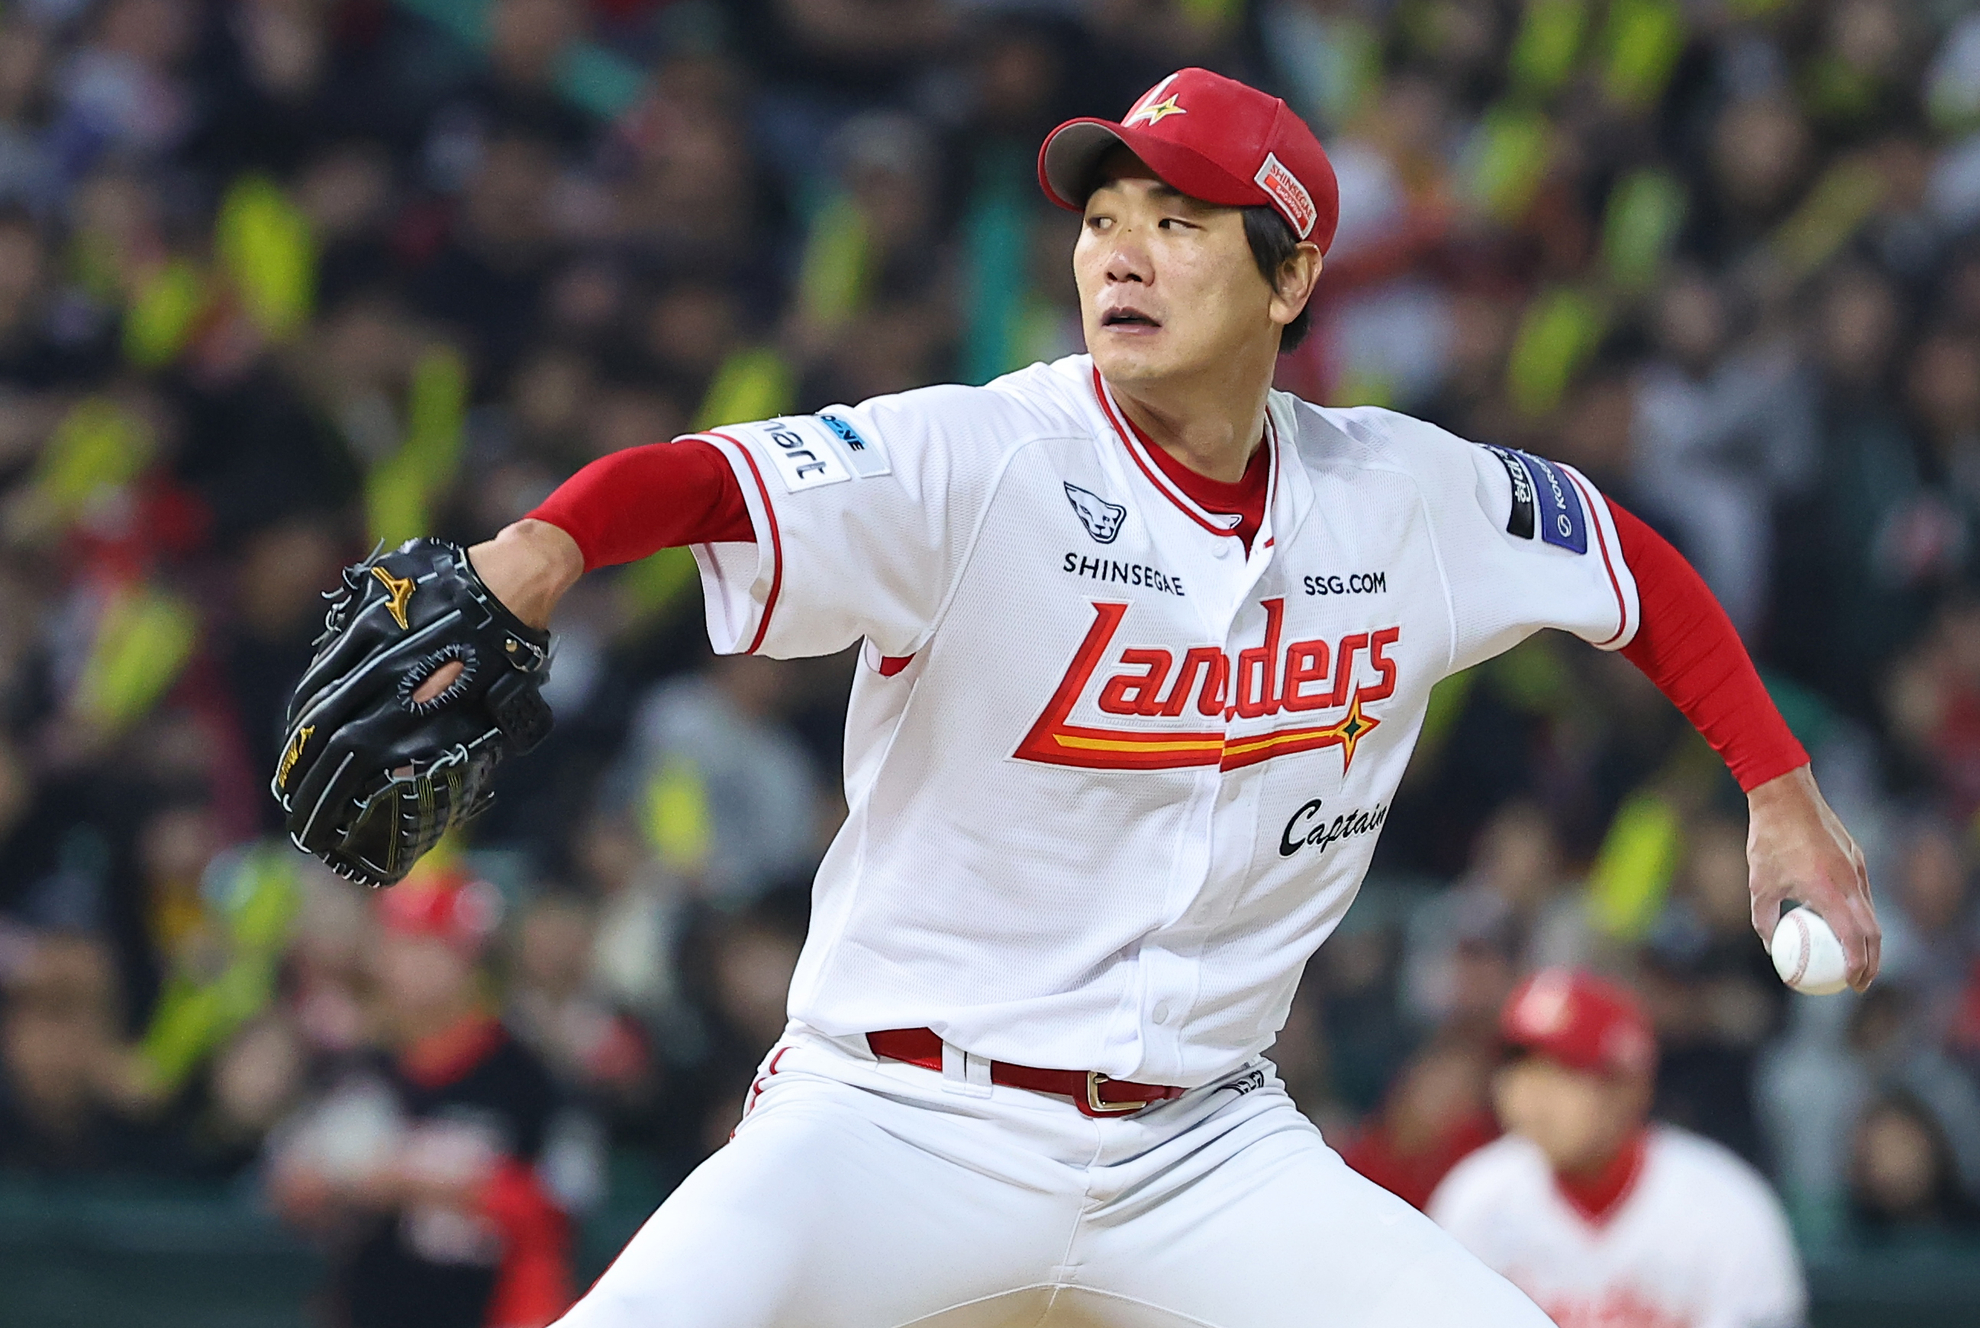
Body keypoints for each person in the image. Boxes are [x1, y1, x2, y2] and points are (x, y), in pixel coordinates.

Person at [419, 68, 1877, 1327]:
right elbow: (705, 479)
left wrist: (1777, 790)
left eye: (1176, 226)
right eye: (1103, 221)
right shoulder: (980, 460)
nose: (1120, 255)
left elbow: (1623, 563)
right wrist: (537, 551)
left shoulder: (1402, 497)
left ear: (1291, 278)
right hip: (898, 1115)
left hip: (1205, 1146)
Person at [269, 868, 581, 1328]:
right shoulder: (357, 1068)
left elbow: (567, 1201)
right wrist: (332, 1182)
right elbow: (288, 1188)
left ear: (472, 961)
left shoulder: (526, 1075)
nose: (413, 966)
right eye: (401, 946)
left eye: (433, 948)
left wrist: (438, 1184)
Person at [1430, 969, 1806, 1328]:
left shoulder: (1724, 1206)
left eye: (1564, 1073)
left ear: (1629, 1090)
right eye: (1520, 1070)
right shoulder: (1476, 1198)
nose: (1532, 1095)